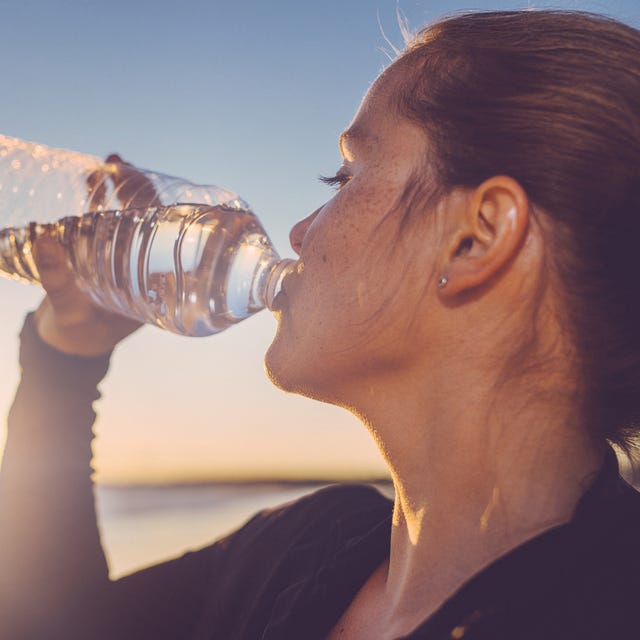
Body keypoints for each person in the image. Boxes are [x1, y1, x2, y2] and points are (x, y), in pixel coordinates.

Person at [2, 8, 640, 640]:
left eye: (345, 176)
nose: (299, 232)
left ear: (476, 239)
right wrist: (65, 360)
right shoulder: (303, 547)